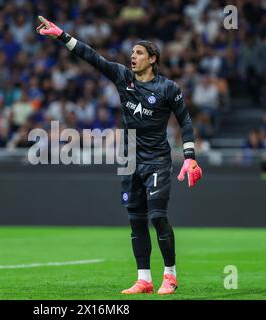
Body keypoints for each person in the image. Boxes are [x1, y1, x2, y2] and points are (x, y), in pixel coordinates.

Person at [36, 16, 202, 295]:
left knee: (158, 217)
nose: (132, 57)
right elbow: (92, 57)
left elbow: (185, 121)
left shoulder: (168, 89)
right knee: (136, 219)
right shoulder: (123, 77)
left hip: (157, 160)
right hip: (128, 161)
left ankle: (170, 276)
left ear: (152, 59)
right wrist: (62, 35)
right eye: (132, 53)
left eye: (138, 53)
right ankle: (144, 279)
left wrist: (189, 156)